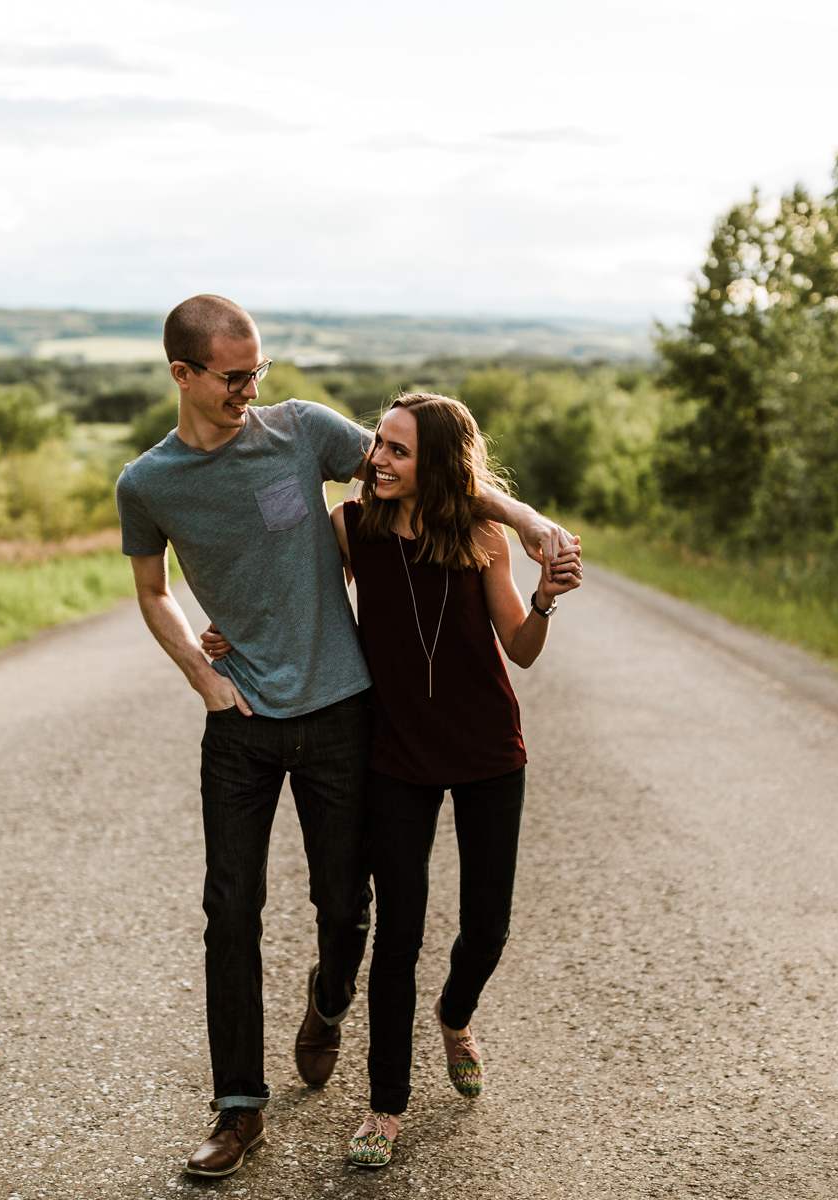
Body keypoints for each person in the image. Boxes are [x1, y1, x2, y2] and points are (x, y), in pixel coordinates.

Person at [115, 296, 579, 1179]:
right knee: (231, 912)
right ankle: (241, 1110)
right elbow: (153, 591)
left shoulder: (301, 433)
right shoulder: (151, 483)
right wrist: (205, 672)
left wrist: (523, 524)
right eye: (234, 375)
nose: (251, 389)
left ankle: (331, 1001)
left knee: (347, 908)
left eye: (260, 370)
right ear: (183, 374)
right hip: (243, 722)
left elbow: (432, 469)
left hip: (344, 717)